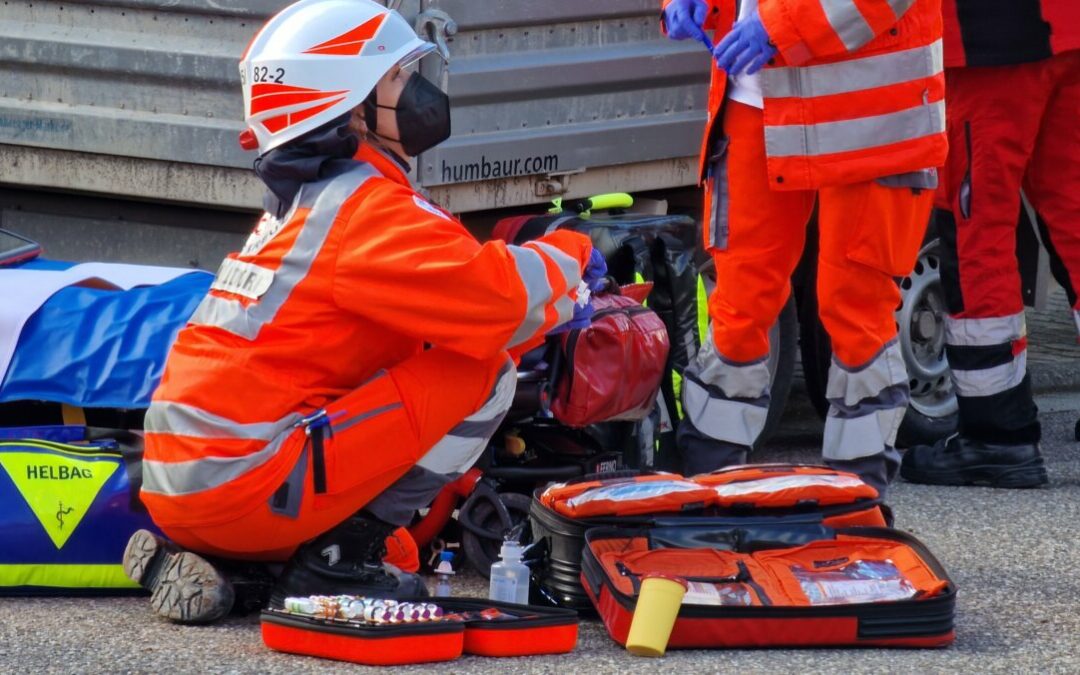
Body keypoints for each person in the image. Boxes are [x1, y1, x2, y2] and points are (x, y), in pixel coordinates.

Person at [122, 0, 600, 624]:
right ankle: (337, 562)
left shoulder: (301, 208)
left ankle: (242, 569)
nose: (420, 92)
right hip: (243, 481)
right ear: (350, 107)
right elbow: (499, 307)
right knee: (483, 369)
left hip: (180, 484)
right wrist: (575, 251)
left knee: (399, 512)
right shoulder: (368, 212)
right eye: (399, 79)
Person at [662, 0, 946, 496]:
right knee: (739, 302)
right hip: (756, 98)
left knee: (855, 308)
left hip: (869, 112)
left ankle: (855, 505)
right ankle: (710, 492)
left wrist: (782, 25)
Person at [900, 1, 1079, 488]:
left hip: (989, 41)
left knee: (979, 230)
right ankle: (998, 435)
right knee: (1074, 217)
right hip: (1066, 31)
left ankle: (999, 437)